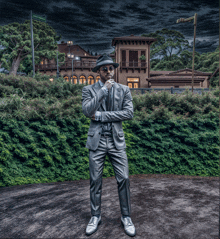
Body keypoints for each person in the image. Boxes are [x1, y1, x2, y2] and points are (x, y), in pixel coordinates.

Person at [82, 53, 136, 237]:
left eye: (111, 68)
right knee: (95, 180)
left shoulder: (124, 90)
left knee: (124, 179)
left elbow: (128, 113)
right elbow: (87, 110)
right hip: (96, 142)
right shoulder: (88, 90)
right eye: (104, 68)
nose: (109, 71)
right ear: (99, 72)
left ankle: (126, 217)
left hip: (116, 141)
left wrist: (101, 116)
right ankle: (95, 216)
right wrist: (103, 91)